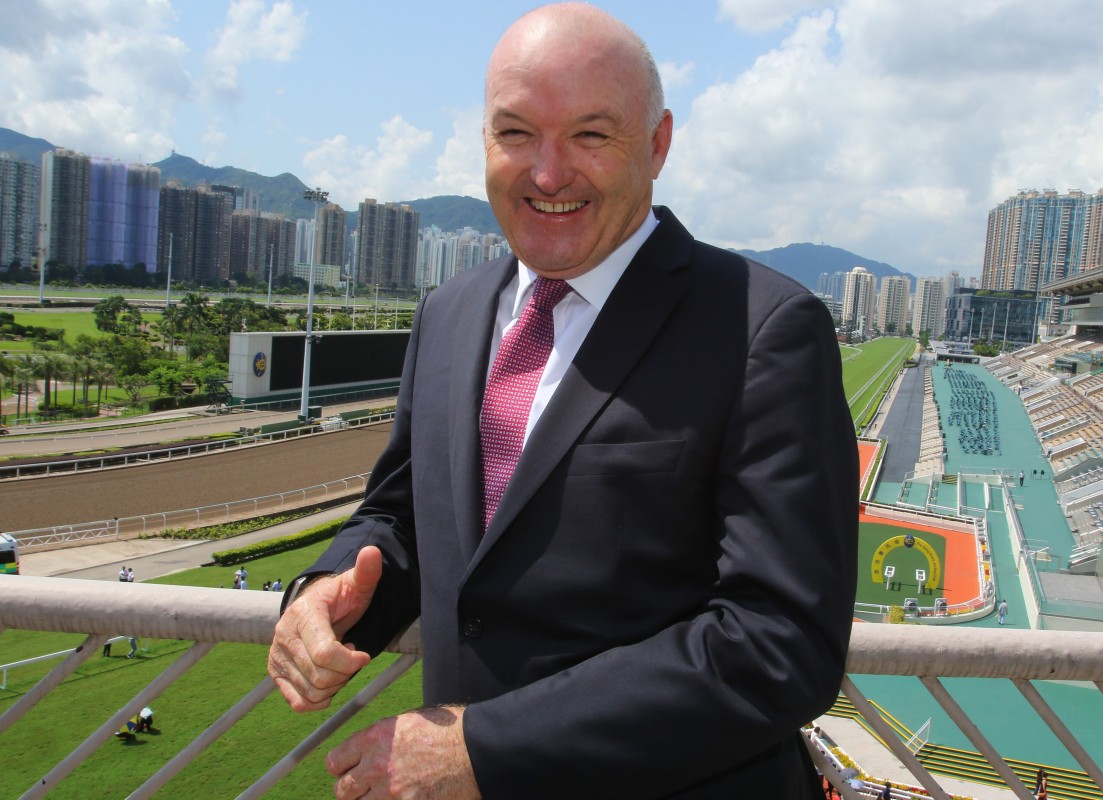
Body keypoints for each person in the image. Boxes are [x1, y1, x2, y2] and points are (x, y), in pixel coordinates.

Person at [267, 4, 858, 798]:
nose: (548, 174)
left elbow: (781, 643)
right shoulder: (449, 313)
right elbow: (404, 514)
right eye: (516, 133)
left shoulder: (763, 328)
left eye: (590, 134)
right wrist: (331, 593)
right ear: (484, 142)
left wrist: (488, 749)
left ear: (656, 144)